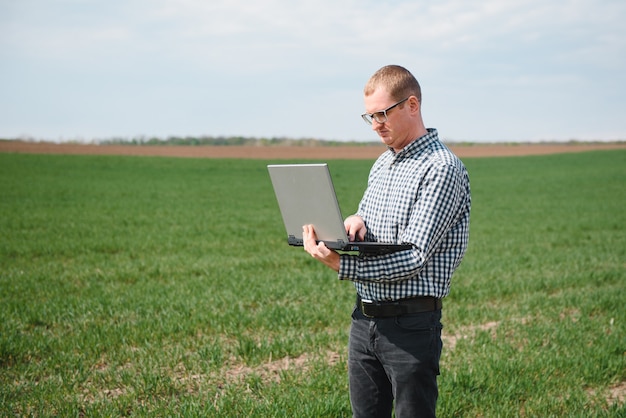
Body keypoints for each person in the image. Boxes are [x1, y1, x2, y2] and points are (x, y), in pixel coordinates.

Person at [302, 65, 471, 417]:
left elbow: (414, 257)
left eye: (382, 113)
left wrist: (341, 263)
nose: (376, 123)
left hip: (411, 326)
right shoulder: (382, 164)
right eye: (370, 116)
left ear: (412, 105)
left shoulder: (440, 168)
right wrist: (353, 221)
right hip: (364, 320)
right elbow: (366, 215)